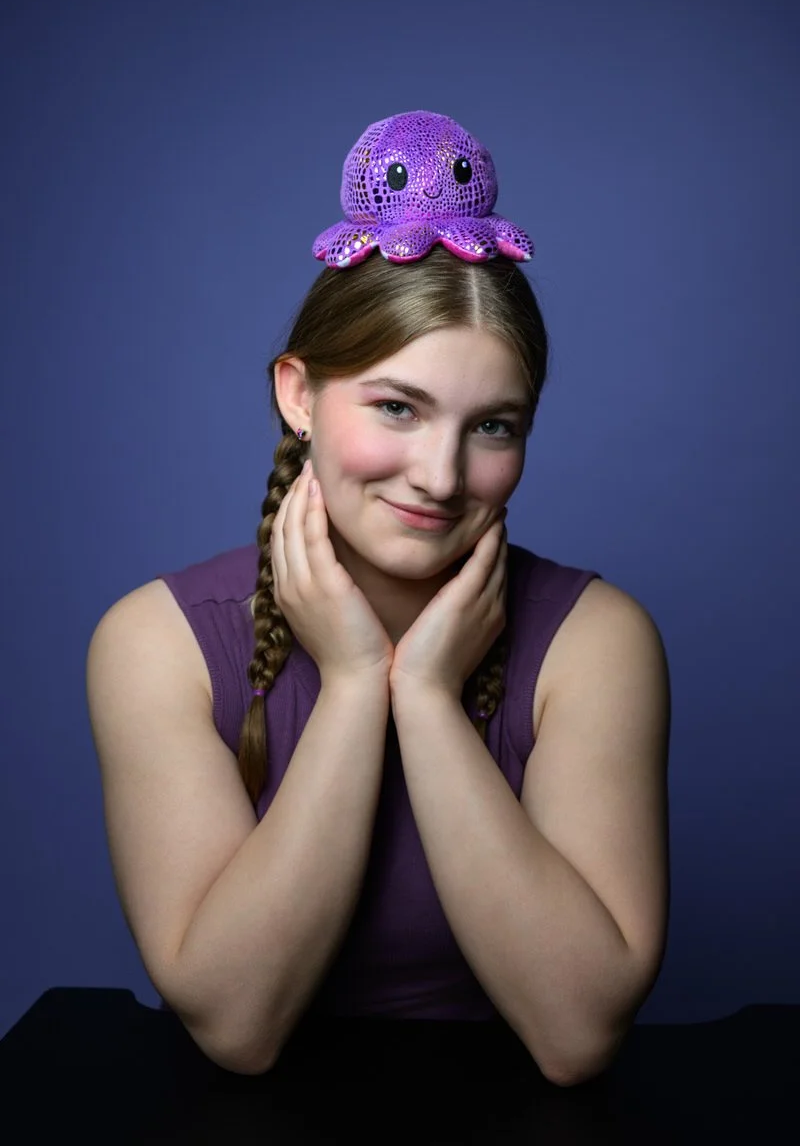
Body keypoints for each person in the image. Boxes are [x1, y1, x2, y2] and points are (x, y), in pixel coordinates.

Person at [86, 111, 670, 1087]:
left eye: (491, 426)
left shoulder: (596, 642)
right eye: (396, 408)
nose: (440, 476)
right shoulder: (155, 644)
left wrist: (429, 702)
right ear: (299, 396)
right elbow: (237, 1026)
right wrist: (355, 682)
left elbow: (575, 1039)